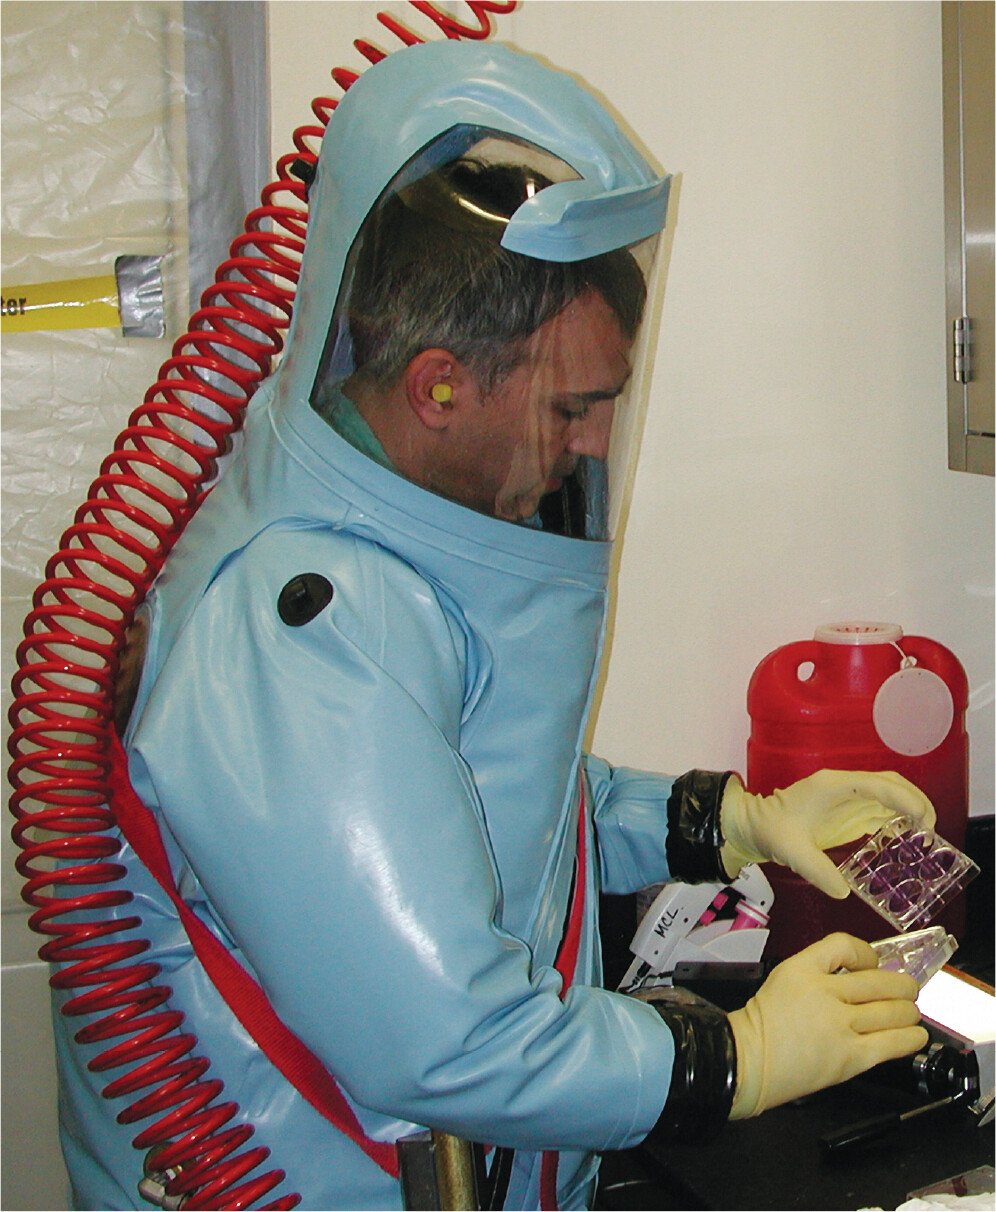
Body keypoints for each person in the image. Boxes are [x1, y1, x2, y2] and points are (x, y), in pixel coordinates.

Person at [53, 40, 934, 1211]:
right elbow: (442, 1041)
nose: (588, 449)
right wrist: (737, 1057)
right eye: (571, 409)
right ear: (437, 387)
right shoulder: (305, 627)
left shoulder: (393, 544)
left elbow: (487, 803)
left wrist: (729, 820)